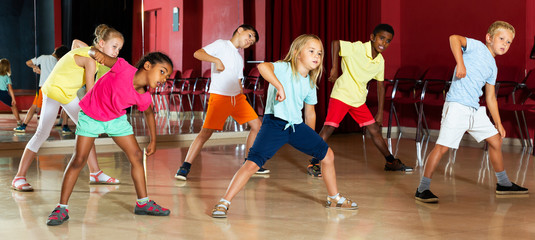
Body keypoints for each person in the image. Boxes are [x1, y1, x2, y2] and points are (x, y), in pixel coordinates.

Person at [210, 34, 358, 218]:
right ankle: (224, 202)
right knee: (252, 164)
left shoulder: (310, 82)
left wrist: (312, 141)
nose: (316, 56)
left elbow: (309, 112)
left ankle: (334, 198)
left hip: (296, 127)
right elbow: (262, 67)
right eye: (311, 51)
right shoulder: (283, 68)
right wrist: (279, 86)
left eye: (319, 53)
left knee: (327, 155)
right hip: (274, 124)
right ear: (297, 53)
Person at [46, 50, 173, 226]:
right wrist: (93, 52)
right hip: (91, 114)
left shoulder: (143, 95)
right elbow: (104, 59)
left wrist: (153, 140)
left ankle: (143, 203)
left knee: (136, 156)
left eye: (167, 76)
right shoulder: (123, 68)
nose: (164, 79)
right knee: (79, 159)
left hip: (115, 119)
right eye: (163, 71)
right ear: (148, 65)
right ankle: (61, 208)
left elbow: (149, 114)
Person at [415, 21, 528, 203]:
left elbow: (491, 97)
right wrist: (460, 64)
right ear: (489, 38)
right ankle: (422, 188)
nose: (505, 44)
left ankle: (503, 183)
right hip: (457, 106)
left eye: (508, 42)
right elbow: (454, 38)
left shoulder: (493, 67)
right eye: (501, 39)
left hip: (474, 110)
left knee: (495, 141)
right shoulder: (476, 47)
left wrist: (498, 122)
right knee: (442, 147)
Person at [11, 24, 122, 192]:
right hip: (54, 90)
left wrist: (71, 60)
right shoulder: (92, 61)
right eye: (114, 46)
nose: (116, 52)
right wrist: (98, 116)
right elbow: (90, 94)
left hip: (68, 94)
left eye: (119, 49)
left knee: (87, 129)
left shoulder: (89, 51)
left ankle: (95, 173)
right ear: (101, 43)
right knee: (42, 132)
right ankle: (19, 177)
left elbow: (76, 42)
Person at [306, 24, 412, 177]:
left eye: (388, 41)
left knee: (374, 129)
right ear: (372, 37)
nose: (383, 43)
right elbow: (335, 43)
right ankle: (313, 163)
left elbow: (380, 86)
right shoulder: (358, 48)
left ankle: (391, 162)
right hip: (342, 95)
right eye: (381, 38)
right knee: (329, 128)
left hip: (358, 99)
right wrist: (335, 68)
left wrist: (380, 113)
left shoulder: (380, 61)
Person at [174, 24, 265, 181]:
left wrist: (242, 98)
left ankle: (249, 163)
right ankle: (185, 167)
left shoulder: (239, 57)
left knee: (257, 126)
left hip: (237, 98)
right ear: (240, 30)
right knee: (205, 133)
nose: (250, 41)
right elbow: (198, 53)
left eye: (253, 41)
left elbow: (239, 81)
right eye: (249, 36)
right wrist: (216, 60)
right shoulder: (221, 44)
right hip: (220, 97)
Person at [14, 46, 69, 133]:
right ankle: (65, 126)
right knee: (65, 106)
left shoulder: (43, 58)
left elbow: (28, 63)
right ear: (61, 56)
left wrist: (35, 68)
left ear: (55, 50)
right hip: (56, 88)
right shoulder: (60, 63)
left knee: (34, 107)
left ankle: (23, 126)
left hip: (44, 88)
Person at [0, 59, 22, 126]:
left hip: (2, 93)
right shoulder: (7, 76)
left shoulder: (7, 76)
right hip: (3, 93)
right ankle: (18, 121)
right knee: (13, 106)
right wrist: (13, 99)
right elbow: (10, 89)